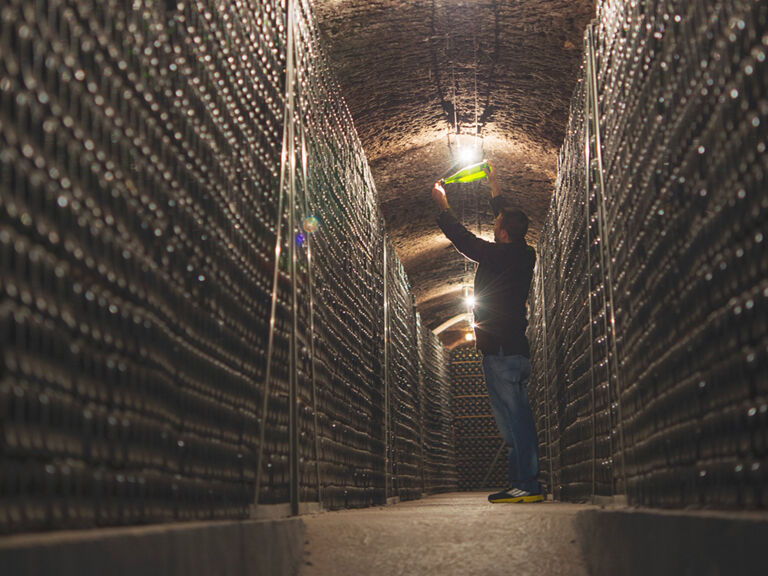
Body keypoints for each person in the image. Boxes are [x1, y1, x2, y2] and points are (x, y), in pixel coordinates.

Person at [431, 161, 542, 503]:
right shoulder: (524, 254)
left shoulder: (497, 255)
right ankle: (521, 484)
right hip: (515, 351)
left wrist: (443, 206)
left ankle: (528, 485)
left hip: (501, 354)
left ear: (502, 233)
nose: (494, 226)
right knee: (514, 421)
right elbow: (509, 222)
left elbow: (465, 241)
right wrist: (495, 186)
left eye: (496, 224)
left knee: (516, 422)